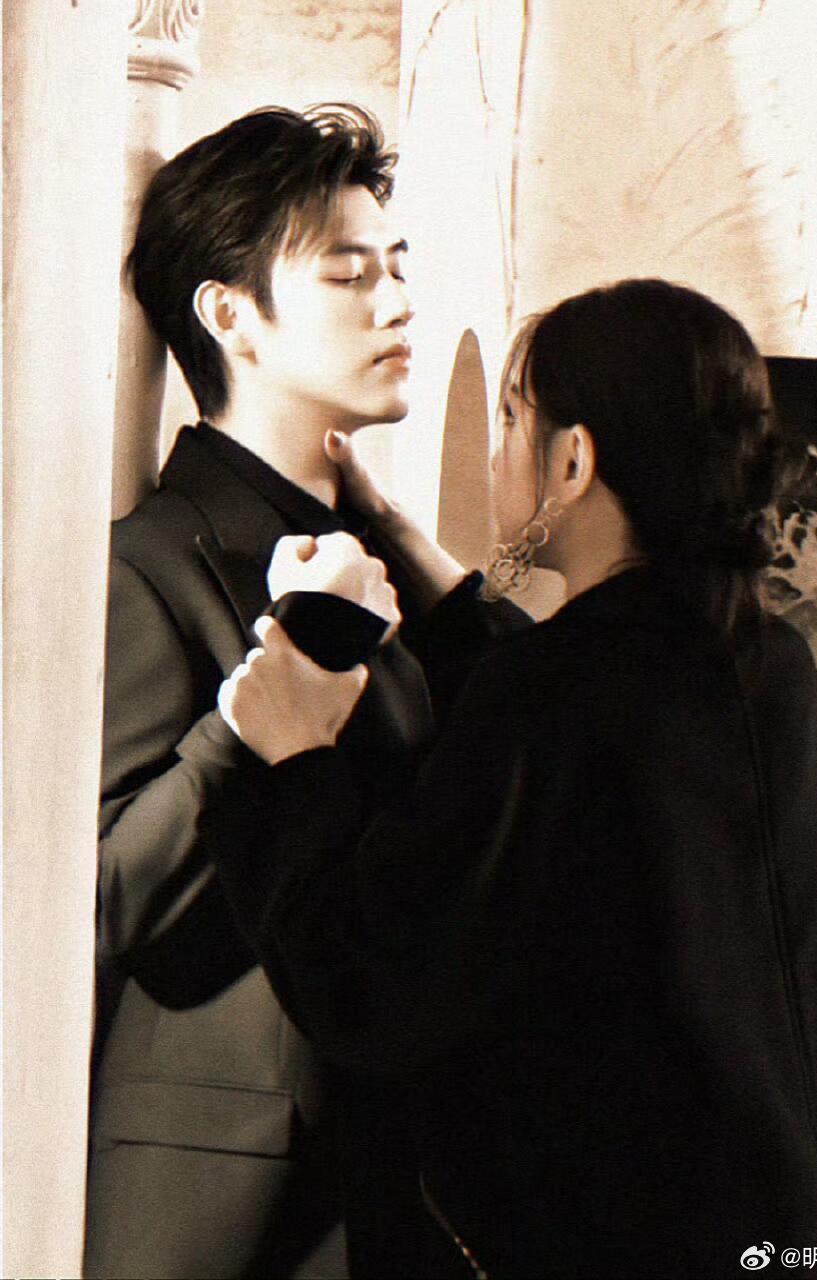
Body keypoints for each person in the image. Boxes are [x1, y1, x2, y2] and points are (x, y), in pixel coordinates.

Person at [209, 278, 817, 1278]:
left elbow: (374, 983)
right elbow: (590, 737)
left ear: (572, 461)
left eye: (511, 421)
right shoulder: (763, 659)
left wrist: (295, 759)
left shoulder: (559, 690)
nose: (497, 456)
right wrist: (426, 569)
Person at [87, 102, 518, 1279]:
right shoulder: (150, 562)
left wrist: (418, 561)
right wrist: (250, 713)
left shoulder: (371, 561)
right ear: (230, 316)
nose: (397, 302)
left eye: (397, 266)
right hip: (229, 1207)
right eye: (348, 274)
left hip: (399, 1185)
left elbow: (543, 737)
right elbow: (107, 903)